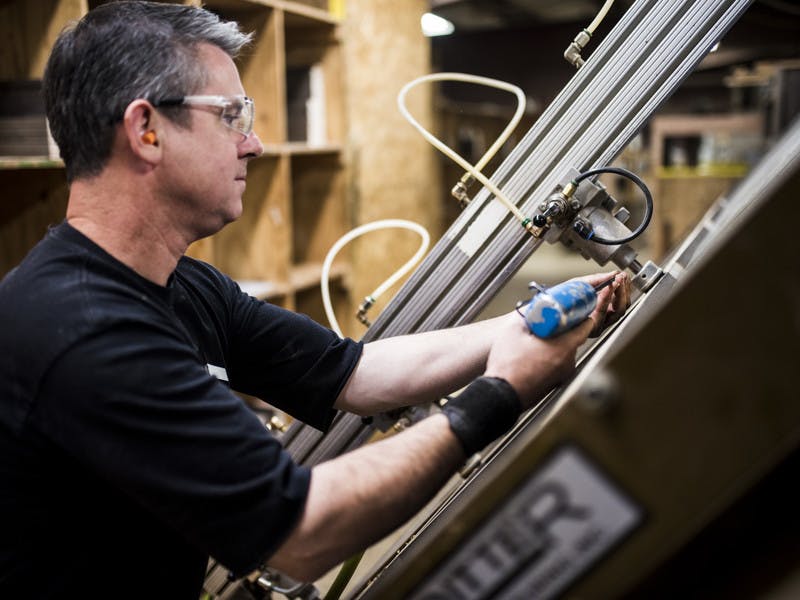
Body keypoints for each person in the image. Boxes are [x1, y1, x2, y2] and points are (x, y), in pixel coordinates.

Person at [0, 2, 630, 598]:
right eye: (231, 116)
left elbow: (355, 372)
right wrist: (501, 394)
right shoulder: (84, 329)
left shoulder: (182, 285)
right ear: (147, 131)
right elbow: (298, 533)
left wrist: (521, 327)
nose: (254, 144)